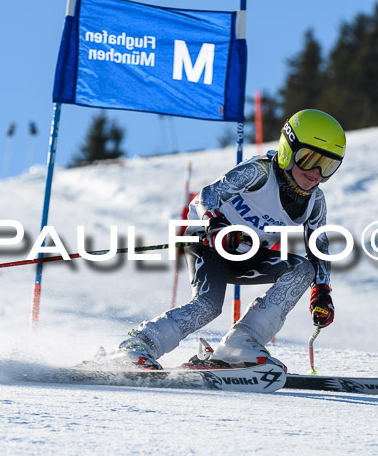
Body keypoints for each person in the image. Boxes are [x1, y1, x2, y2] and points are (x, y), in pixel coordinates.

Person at [104, 109, 346, 370]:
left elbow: (318, 247)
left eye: (329, 165)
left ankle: (240, 344)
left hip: (246, 255)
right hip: (208, 244)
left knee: (302, 270)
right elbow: (205, 197)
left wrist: (321, 290)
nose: (316, 173)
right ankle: (138, 345)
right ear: (288, 149)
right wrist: (216, 226)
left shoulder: (316, 202)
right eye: (309, 159)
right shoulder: (260, 172)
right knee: (208, 305)